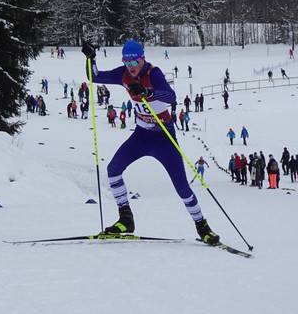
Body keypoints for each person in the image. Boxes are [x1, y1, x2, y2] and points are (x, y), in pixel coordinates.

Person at [82, 39, 220, 244]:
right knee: (113, 169)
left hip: (163, 137)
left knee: (182, 187)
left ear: (142, 58)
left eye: (134, 62)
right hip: (141, 135)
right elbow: (94, 76)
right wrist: (90, 58)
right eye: (127, 63)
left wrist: (148, 92)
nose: (131, 67)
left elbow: (171, 97)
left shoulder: (153, 73)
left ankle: (203, 227)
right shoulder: (124, 74)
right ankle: (125, 218)